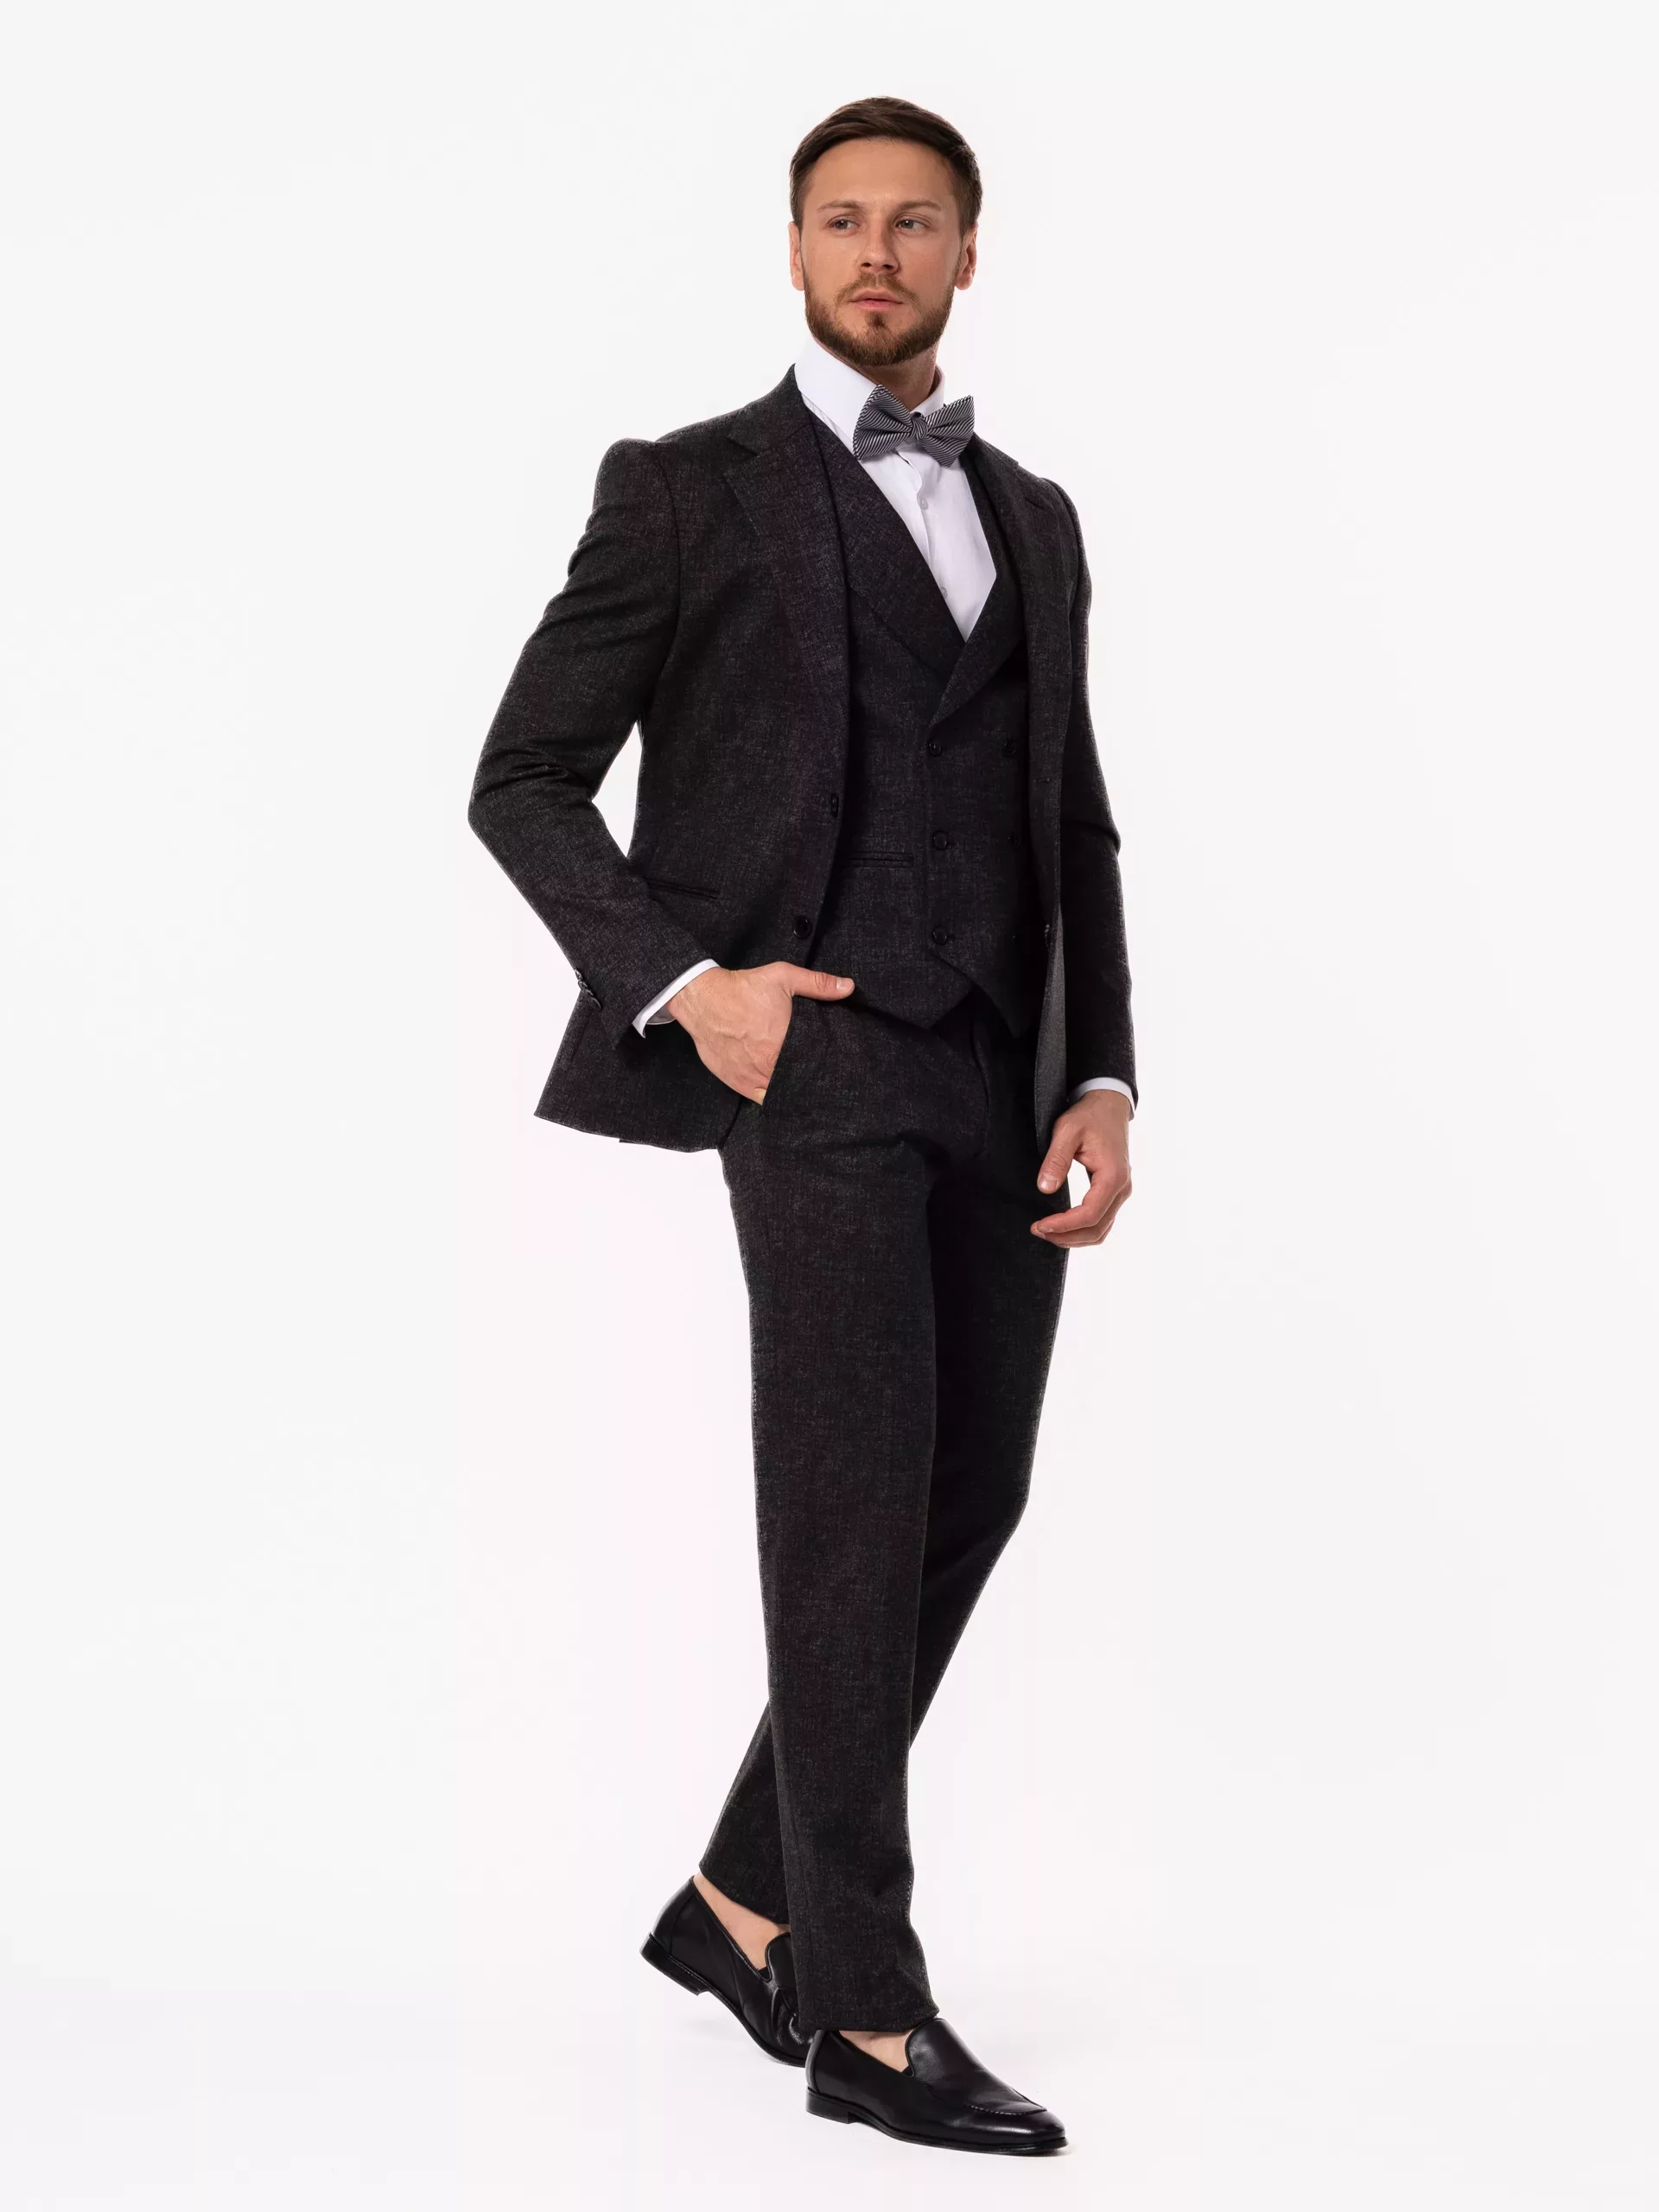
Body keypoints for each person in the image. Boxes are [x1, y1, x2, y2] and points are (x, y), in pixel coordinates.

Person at [468, 94, 1135, 2156]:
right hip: (813, 1066)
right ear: (794, 250)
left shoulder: (1036, 515)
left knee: (972, 1490)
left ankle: (743, 1900)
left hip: (1002, 1074)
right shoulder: (687, 489)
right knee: (849, 1511)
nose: (876, 252)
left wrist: (1104, 1068)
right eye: (841, 220)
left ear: (966, 253)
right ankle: (865, 2006)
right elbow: (522, 777)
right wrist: (695, 986)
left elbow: (1074, 821)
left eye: (913, 223)